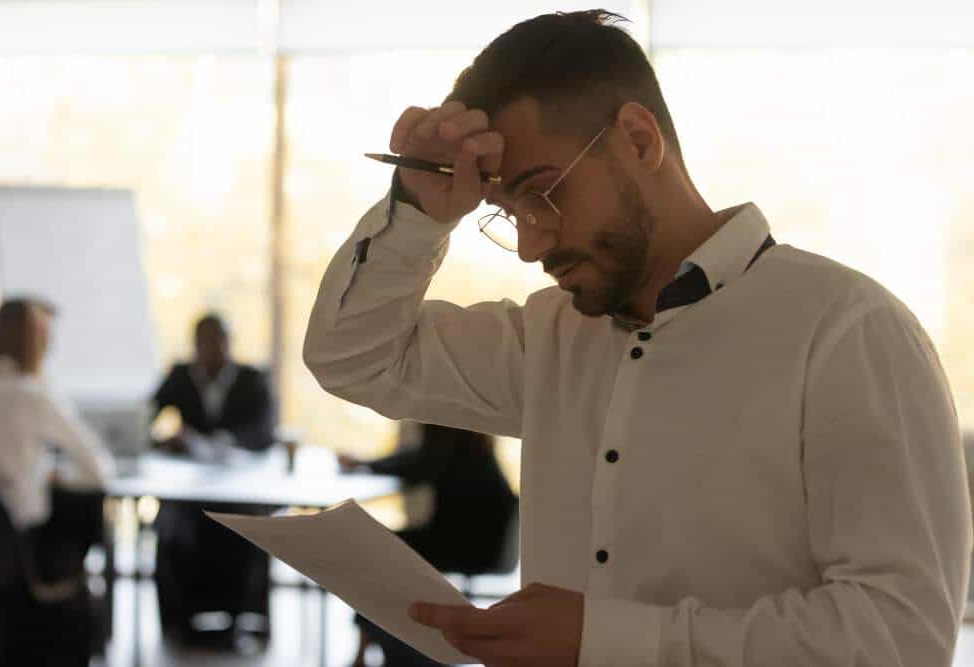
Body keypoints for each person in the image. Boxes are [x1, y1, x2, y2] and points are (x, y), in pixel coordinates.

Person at [303, 9, 971, 667]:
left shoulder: (848, 332)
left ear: (639, 139)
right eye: (508, 214)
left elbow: (900, 638)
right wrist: (417, 210)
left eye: (543, 194)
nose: (531, 244)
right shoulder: (550, 340)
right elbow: (354, 355)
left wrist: (607, 640)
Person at [0, 298, 114, 662]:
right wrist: (56, 474)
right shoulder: (33, 396)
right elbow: (99, 470)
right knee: (85, 526)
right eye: (45, 337)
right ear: (34, 342)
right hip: (25, 554)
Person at [339, 422, 517, 667]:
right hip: (472, 540)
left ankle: (370, 649)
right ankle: (374, 645)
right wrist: (367, 464)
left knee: (376, 549)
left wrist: (366, 464)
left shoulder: (449, 432)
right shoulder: (469, 436)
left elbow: (417, 466)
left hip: (468, 544)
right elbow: (419, 463)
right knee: (379, 547)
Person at [150, 312, 278, 647]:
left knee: (242, 529)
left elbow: (265, 432)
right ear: (194, 345)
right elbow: (146, 417)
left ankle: (241, 620)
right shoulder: (180, 376)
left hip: (241, 489)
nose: (213, 350)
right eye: (206, 342)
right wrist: (167, 441)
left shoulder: (252, 378)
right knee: (172, 527)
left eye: (220, 341)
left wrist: (224, 441)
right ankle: (180, 623)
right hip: (188, 489)